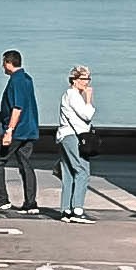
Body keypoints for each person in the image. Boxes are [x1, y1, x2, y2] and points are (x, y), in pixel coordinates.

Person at [0, 49, 41, 209]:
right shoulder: (27, 79)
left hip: (18, 130)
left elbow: (17, 108)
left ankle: (1, 199)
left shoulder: (16, 81)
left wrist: (9, 131)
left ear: (8, 63)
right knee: (25, 164)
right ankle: (30, 203)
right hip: (29, 129)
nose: (2, 67)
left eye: (3, 63)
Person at [56, 65, 95, 219]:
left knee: (68, 173)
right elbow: (87, 115)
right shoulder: (73, 95)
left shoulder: (68, 95)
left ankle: (66, 209)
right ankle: (77, 209)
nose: (87, 82)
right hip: (73, 136)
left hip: (64, 136)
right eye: (84, 78)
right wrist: (88, 98)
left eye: (88, 78)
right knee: (82, 171)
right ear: (74, 80)